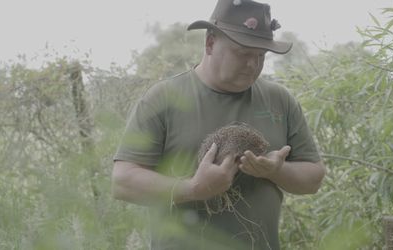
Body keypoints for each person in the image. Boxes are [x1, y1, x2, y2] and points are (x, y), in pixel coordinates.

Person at [112, 0, 326, 249]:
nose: (253, 64)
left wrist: (275, 171)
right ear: (210, 43)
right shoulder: (162, 99)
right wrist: (193, 189)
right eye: (243, 53)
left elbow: (313, 178)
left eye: (260, 55)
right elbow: (123, 182)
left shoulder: (281, 101)